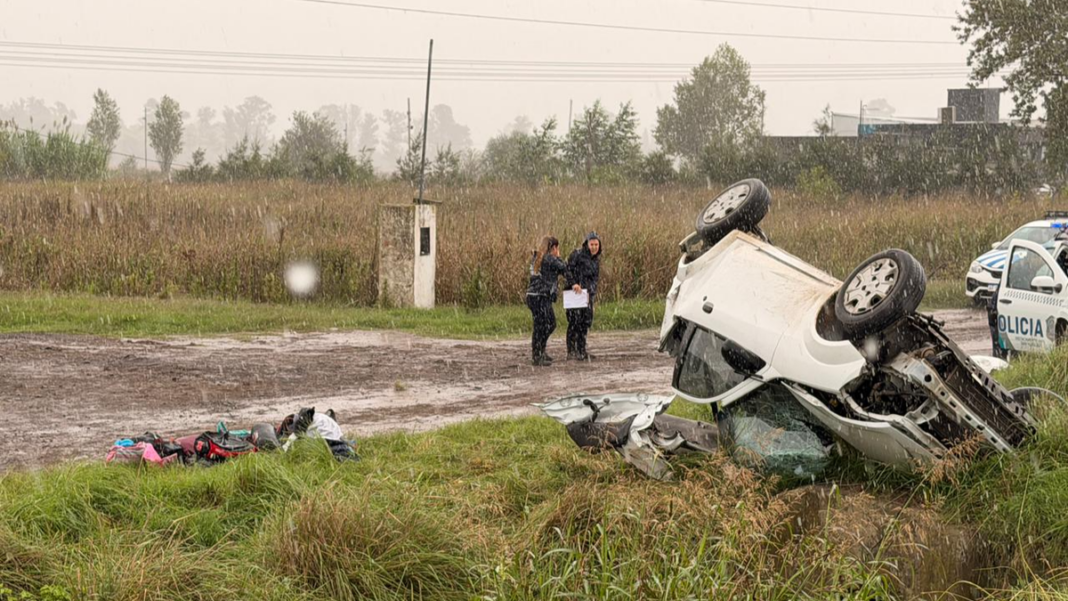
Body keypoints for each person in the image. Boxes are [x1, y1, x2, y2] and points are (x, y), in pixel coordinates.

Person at [526, 235, 568, 366]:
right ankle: (538, 355)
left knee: (539, 326)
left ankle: (539, 353)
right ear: (554, 247)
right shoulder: (550, 258)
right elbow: (565, 268)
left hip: (533, 295)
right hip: (541, 296)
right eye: (557, 248)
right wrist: (559, 257)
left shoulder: (537, 257)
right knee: (550, 324)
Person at [565, 232, 602, 361]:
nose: (594, 247)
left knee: (585, 323)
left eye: (596, 245)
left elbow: (595, 279)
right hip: (574, 294)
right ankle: (571, 351)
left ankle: (582, 350)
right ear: (587, 244)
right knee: (574, 322)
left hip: (587, 296)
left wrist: (590, 291)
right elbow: (567, 270)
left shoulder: (596, 260)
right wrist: (574, 283)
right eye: (592, 244)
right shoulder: (577, 254)